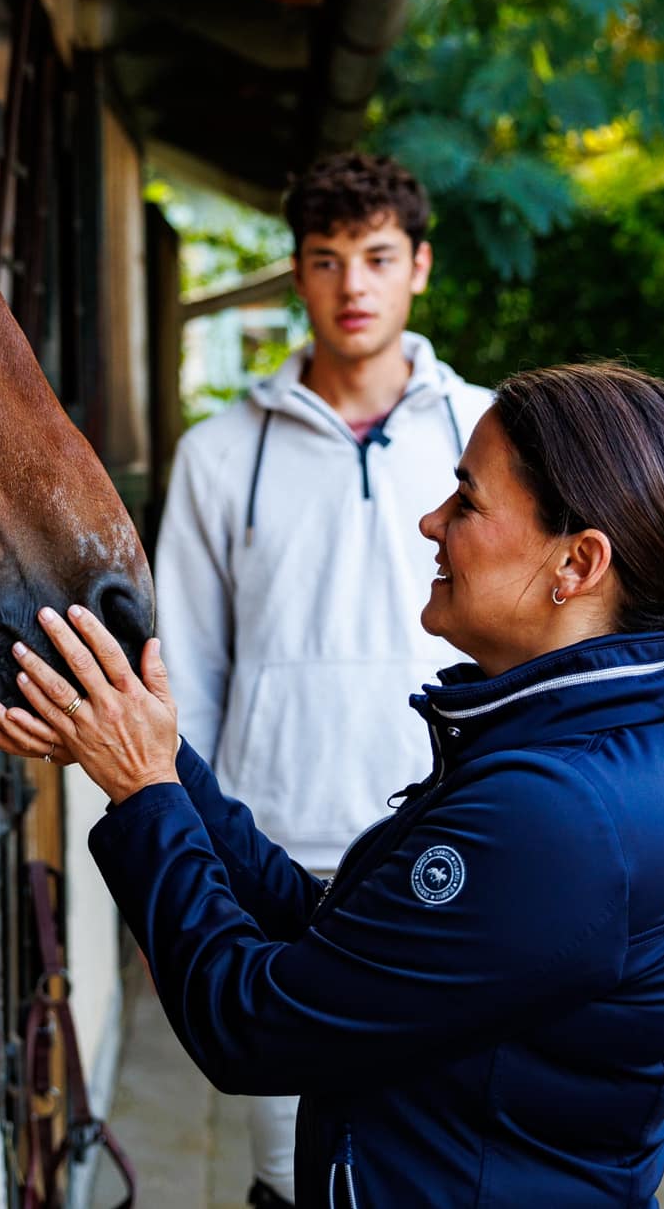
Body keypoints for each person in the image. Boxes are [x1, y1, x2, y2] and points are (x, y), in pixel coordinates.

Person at [0, 362, 664, 1207]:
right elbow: (339, 943)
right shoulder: (585, 748)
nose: (431, 522)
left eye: (467, 501)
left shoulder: (560, 813)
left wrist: (144, 793)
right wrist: (158, 758)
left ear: (578, 562)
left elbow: (253, 1026)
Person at [153, 152, 492, 1206]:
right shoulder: (219, 452)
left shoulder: (485, 431)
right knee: (291, 1171)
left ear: (418, 268)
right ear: (296, 275)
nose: (353, 285)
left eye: (377, 257)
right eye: (326, 259)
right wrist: (202, 841)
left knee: (435, 1152)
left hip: (457, 842)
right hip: (277, 851)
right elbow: (189, 663)